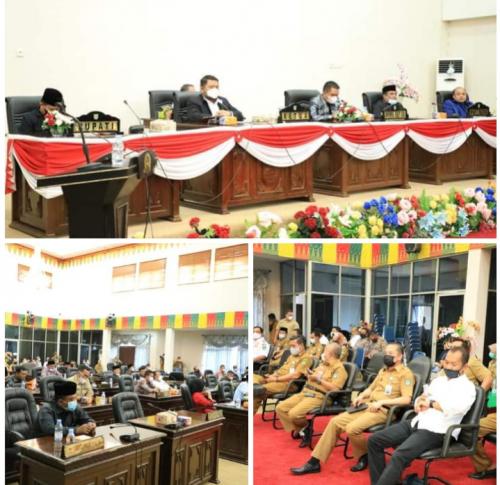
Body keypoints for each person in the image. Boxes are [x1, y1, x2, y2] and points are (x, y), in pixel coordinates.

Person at [291, 343, 414, 476]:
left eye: (390, 354)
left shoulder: (406, 374)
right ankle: (314, 462)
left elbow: (406, 399)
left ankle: (365, 455)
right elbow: (370, 389)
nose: (386, 356)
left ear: (400, 356)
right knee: (335, 422)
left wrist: (382, 402)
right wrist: (361, 396)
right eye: (386, 353)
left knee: (352, 428)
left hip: (383, 410)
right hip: (367, 405)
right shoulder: (383, 371)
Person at [368, 346, 476, 485]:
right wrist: (419, 401)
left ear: (464, 367)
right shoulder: (439, 380)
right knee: (375, 440)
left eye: (453, 364)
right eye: (446, 362)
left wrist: (430, 404)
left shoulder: (467, 388)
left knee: (399, 455)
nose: (448, 367)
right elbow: (424, 395)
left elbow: (457, 408)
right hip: (418, 422)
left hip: (438, 431)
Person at [276, 343, 348, 447]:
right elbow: (314, 375)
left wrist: (319, 380)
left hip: (320, 396)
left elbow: (335, 388)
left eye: (325, 350)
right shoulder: (323, 364)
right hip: (306, 392)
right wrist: (309, 374)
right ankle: (305, 428)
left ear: (331, 353)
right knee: (280, 408)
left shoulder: (339, 369)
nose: (323, 352)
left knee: (294, 414)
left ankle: (304, 429)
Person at [254, 336, 313, 414]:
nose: (291, 348)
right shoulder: (292, 356)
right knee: (254, 377)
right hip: (276, 379)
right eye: (290, 346)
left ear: (301, 345)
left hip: (288, 384)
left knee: (259, 391)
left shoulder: (306, 358)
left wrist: (276, 379)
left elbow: (295, 375)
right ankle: (254, 388)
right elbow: (281, 369)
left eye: (293, 346)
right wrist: (273, 375)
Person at [469, 342, 496, 480]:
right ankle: (485, 466)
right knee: (470, 429)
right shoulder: (493, 363)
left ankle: (487, 467)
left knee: (471, 429)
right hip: (494, 411)